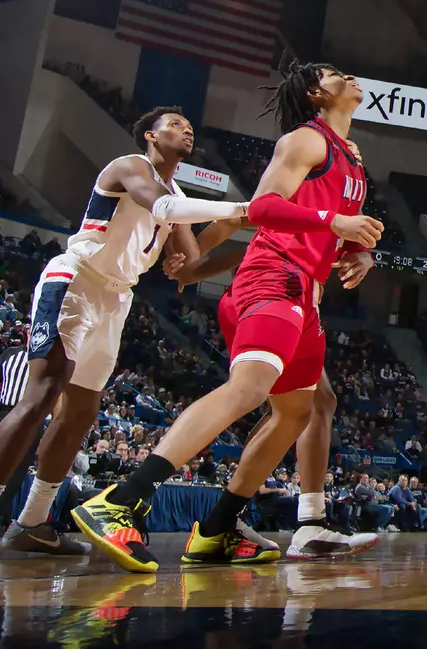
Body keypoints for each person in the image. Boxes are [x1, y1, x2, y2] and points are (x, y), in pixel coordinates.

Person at [72, 63, 383, 573]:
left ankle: (218, 526)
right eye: (335, 73)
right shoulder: (305, 140)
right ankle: (121, 499)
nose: (350, 75)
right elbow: (262, 208)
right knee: (251, 388)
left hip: (307, 290)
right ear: (315, 92)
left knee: (298, 412)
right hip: (273, 276)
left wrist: (358, 251)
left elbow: (335, 228)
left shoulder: (351, 157)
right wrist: (334, 222)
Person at [0, 107, 249, 558]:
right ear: (151, 136)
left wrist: (250, 238)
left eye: (188, 126)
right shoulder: (131, 166)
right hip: (76, 280)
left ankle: (32, 522)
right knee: (42, 393)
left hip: (117, 298)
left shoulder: (176, 193)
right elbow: (165, 207)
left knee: (80, 411)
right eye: (175, 124)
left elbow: (191, 269)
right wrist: (240, 208)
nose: (186, 128)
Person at [172, 212, 378, 560]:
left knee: (311, 405)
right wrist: (191, 262)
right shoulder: (308, 186)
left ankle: (243, 518)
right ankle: (281, 520)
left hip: (284, 299)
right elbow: (237, 217)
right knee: (283, 403)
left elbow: (344, 247)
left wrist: (364, 256)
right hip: (267, 296)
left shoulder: (346, 199)